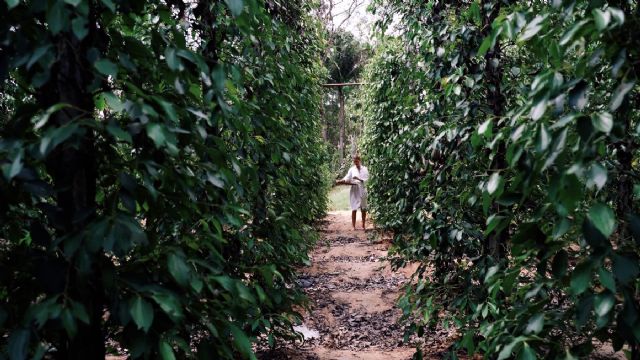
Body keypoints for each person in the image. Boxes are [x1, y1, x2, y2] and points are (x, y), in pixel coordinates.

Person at [336, 155, 369, 230]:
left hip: (363, 190)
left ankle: (363, 225)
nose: (355, 163)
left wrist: (359, 179)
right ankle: (353, 226)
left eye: (356, 161)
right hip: (354, 190)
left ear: (359, 160)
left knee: (363, 208)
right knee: (354, 208)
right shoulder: (352, 169)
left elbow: (367, 180)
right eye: (354, 161)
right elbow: (347, 178)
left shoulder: (365, 169)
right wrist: (341, 181)